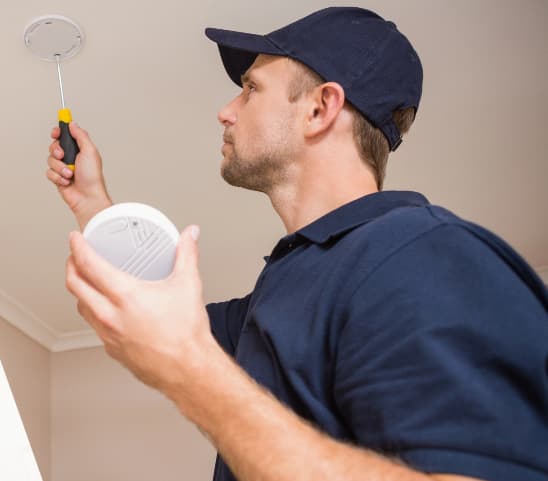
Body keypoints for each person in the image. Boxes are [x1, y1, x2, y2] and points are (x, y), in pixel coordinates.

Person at [44, 7, 548, 481]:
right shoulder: (290, 289)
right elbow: (153, 312)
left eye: (250, 88)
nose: (225, 110)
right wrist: (92, 203)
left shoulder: (425, 254)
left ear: (320, 108)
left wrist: (188, 368)